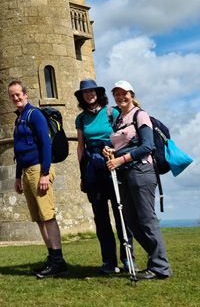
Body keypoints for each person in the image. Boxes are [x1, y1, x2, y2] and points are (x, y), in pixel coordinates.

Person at [104, 80, 172, 280]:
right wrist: (110, 150)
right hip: (125, 174)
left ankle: (160, 267)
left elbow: (147, 146)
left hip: (142, 171)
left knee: (147, 220)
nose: (120, 97)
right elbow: (124, 143)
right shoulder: (119, 120)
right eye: (117, 94)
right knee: (132, 221)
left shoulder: (140, 115)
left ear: (131, 94)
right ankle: (157, 260)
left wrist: (120, 159)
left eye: (124, 93)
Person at [75, 78, 135, 274]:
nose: (89, 94)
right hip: (92, 167)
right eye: (85, 92)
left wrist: (114, 152)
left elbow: (124, 138)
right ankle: (109, 262)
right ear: (82, 96)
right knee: (100, 217)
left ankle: (128, 259)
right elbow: (80, 147)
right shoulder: (81, 119)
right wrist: (82, 174)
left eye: (92, 91)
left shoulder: (112, 113)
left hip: (112, 163)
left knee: (121, 213)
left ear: (98, 93)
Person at [9, 81, 68, 279]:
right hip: (26, 171)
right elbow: (19, 150)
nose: (16, 98)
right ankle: (52, 257)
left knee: (47, 215)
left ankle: (59, 261)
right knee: (38, 218)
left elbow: (45, 144)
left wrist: (44, 173)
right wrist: (18, 176)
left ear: (26, 94)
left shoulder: (34, 115)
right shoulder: (19, 119)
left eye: (18, 94)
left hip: (38, 168)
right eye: (12, 96)